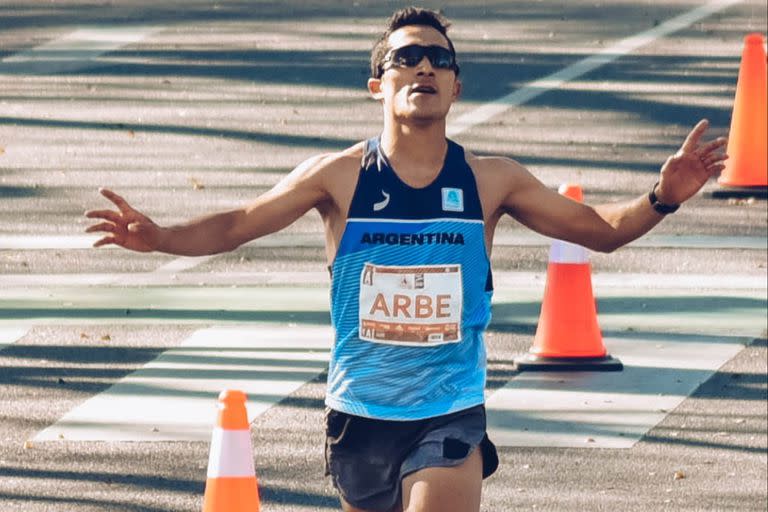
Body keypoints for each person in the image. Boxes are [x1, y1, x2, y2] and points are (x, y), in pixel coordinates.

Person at [84, 7, 728, 512]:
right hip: (359, 413)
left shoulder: (489, 181)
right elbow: (238, 224)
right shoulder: (338, 176)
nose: (423, 67)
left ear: (454, 84)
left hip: (449, 411)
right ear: (378, 83)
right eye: (406, 58)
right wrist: (160, 236)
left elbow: (601, 231)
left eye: (437, 59)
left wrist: (660, 197)